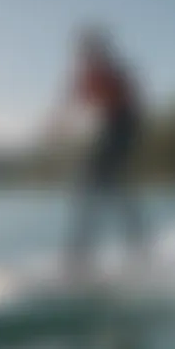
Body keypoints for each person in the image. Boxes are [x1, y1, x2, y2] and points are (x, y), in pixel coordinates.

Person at [48, 26, 144, 274]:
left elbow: (131, 108)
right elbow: (68, 105)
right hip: (108, 132)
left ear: (99, 50)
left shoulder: (113, 73)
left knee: (98, 186)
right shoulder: (85, 77)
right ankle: (83, 257)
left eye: (91, 50)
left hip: (122, 128)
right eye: (84, 51)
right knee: (96, 189)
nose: (86, 55)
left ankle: (87, 258)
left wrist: (122, 139)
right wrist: (58, 128)